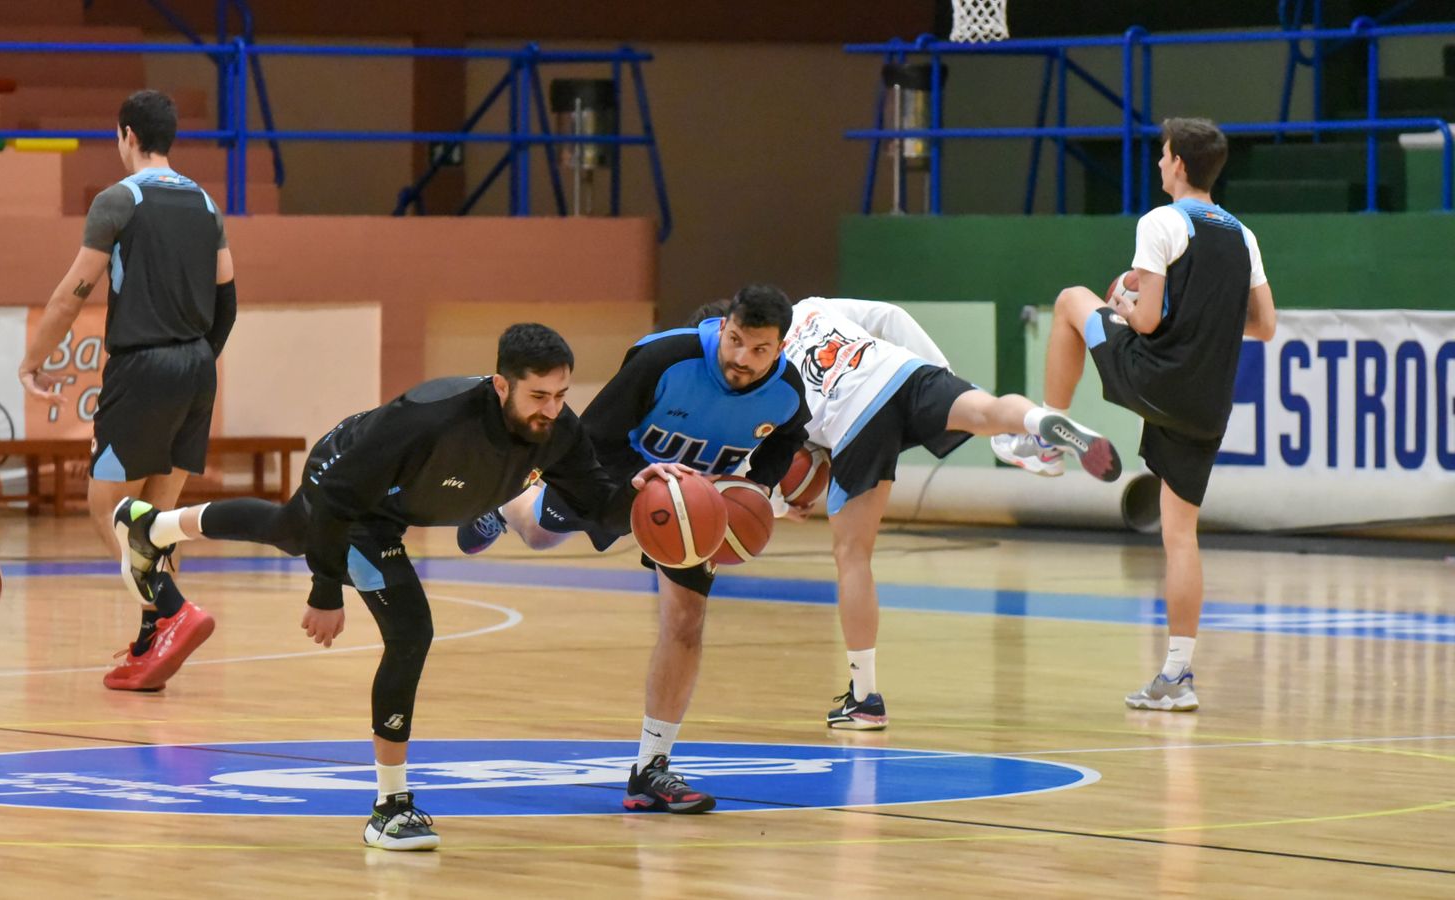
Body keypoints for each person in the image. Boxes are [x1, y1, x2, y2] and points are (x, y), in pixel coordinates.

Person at [112, 324, 683, 850]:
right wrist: (325, 593)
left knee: (289, 530)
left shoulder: (559, 431)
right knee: (409, 629)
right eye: (539, 397)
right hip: (350, 486)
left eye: (560, 396)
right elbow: (337, 499)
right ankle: (390, 808)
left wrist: (649, 494)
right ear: (501, 384)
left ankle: (151, 526)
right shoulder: (430, 417)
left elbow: (598, 508)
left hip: (392, 501)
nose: (551, 410)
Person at [459, 285, 811, 814]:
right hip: (615, 475)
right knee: (542, 531)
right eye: (735, 340)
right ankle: (508, 502)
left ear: (780, 346)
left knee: (686, 620)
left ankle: (650, 769)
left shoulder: (786, 389)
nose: (742, 357)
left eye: (759, 349)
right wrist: (642, 481)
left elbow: (788, 436)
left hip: (691, 502)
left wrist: (757, 486)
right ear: (726, 327)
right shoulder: (665, 358)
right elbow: (594, 436)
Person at [760, 295, 1120, 730]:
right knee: (987, 412)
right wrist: (942, 375)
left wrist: (781, 503)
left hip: (852, 414)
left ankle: (864, 698)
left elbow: (772, 459)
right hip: (905, 370)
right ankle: (1040, 425)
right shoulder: (812, 305)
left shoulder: (759, 373)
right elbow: (890, 316)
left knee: (852, 556)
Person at [1023, 117, 1276, 712]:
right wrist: (1200, 318)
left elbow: (1150, 321)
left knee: (1069, 302)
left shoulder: (1160, 222)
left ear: (1180, 165)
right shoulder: (1243, 234)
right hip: (1208, 404)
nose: (1159, 164)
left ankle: (1048, 436)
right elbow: (1265, 325)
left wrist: (1123, 302)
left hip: (1158, 377)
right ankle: (1176, 679)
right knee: (1180, 536)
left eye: (1163, 156)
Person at [18, 89, 236, 692]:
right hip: (198, 366)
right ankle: (150, 644)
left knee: (107, 509)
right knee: (157, 518)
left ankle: (173, 611)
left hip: (143, 368)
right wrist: (196, 362)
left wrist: (33, 361)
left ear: (126, 135)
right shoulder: (207, 204)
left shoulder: (119, 200)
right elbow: (228, 301)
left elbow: (72, 293)